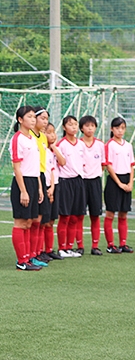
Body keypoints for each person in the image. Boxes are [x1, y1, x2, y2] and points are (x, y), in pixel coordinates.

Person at [10, 106, 44, 270]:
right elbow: (17, 168)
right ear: (20, 120)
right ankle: (21, 261)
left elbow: (35, 166)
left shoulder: (32, 138)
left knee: (30, 222)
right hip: (22, 183)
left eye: (33, 117)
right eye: (29, 116)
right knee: (20, 223)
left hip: (33, 182)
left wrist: (39, 188)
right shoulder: (18, 139)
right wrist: (23, 191)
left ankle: (28, 258)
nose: (33, 119)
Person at [56, 115, 86, 258]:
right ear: (64, 127)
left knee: (75, 216)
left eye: (75, 124)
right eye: (70, 124)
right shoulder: (61, 144)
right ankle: (61, 248)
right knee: (65, 216)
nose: (73, 127)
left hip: (78, 181)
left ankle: (69, 247)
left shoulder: (81, 144)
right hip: (65, 182)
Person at [103, 117, 135, 253]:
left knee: (123, 214)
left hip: (126, 179)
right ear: (112, 129)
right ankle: (110, 245)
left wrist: (130, 182)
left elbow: (131, 165)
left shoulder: (128, 146)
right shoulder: (109, 145)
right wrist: (120, 183)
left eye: (122, 128)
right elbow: (109, 166)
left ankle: (123, 244)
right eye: (117, 128)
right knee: (110, 213)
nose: (120, 131)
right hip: (114, 181)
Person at [78, 115, 105, 256]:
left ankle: (95, 246)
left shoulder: (100, 144)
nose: (90, 129)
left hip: (95, 181)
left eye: (92, 126)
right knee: (79, 215)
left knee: (95, 215)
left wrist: (95, 174)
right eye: (87, 126)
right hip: (81, 181)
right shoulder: (78, 144)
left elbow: (103, 164)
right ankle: (80, 245)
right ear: (81, 128)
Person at [30, 107, 52, 264]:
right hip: (32, 176)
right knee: (31, 220)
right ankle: (29, 255)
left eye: (47, 119)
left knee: (40, 219)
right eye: (42, 118)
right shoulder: (28, 137)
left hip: (42, 176)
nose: (45, 121)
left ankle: (37, 253)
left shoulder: (43, 137)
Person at [42, 122, 65, 260]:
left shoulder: (53, 150)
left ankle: (49, 249)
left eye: (53, 132)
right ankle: (40, 251)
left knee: (51, 221)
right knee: (43, 221)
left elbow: (62, 162)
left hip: (55, 185)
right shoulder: (41, 150)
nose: (52, 135)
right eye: (48, 132)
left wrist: (54, 147)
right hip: (44, 186)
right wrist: (48, 188)